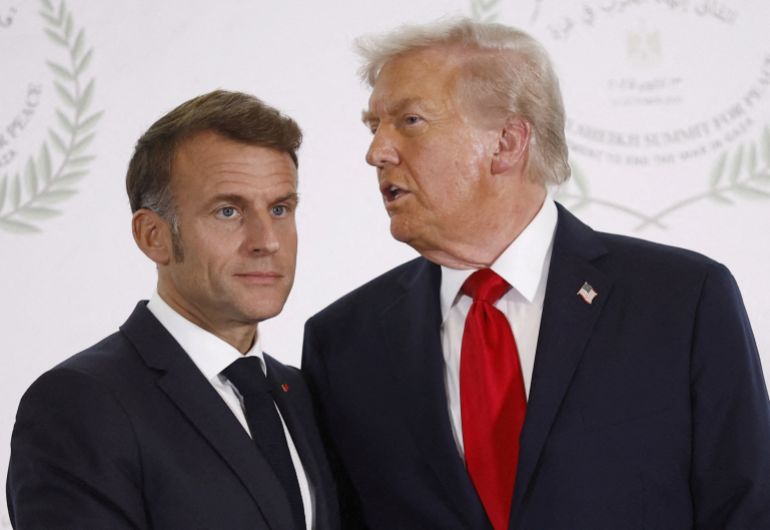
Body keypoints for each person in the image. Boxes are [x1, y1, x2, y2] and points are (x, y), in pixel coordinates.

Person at [301, 19, 770, 530]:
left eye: (409, 121)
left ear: (506, 142)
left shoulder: (682, 301)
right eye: (374, 127)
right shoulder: (344, 342)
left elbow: (747, 508)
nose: (377, 152)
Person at [7, 90, 339, 530]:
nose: (267, 240)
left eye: (280, 208)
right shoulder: (80, 404)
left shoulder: (304, 394)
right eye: (228, 211)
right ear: (153, 236)